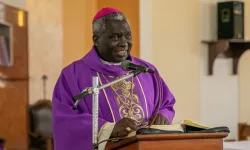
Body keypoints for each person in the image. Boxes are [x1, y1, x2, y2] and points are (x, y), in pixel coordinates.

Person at [52, 7, 176, 150]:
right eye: (115, 37)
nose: (123, 43)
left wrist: (163, 115)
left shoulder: (147, 70)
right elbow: (65, 121)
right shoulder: (72, 75)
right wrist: (108, 129)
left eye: (127, 36)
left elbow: (166, 103)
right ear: (96, 40)